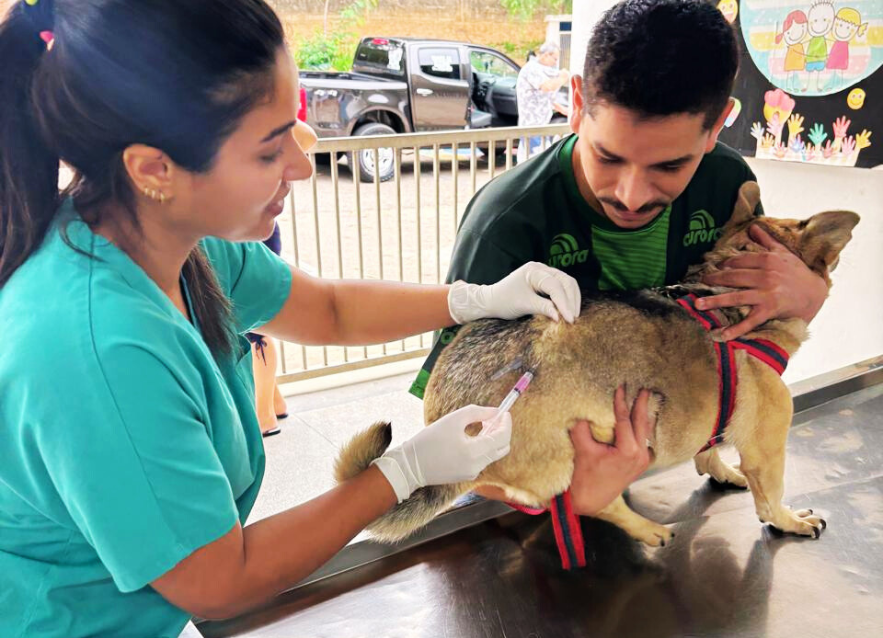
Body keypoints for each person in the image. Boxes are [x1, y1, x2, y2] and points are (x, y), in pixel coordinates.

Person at [0, 1, 652, 636]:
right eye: (267, 150)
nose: (301, 167)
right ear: (153, 168)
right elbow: (217, 583)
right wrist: (402, 472)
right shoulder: (94, 348)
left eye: (295, 128)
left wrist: (474, 298)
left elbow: (329, 310)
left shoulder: (174, 237)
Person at [411, 0, 829, 513]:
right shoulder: (507, 221)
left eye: (670, 165)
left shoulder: (726, 184)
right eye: (608, 156)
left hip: (647, 470)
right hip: (525, 487)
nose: (631, 195)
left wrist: (809, 294)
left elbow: (745, 334)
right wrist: (568, 497)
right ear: (578, 102)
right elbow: (451, 420)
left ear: (718, 123)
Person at [245, 222, 289, 437]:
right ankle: (274, 402)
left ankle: (264, 415)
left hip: (252, 237)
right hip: (246, 234)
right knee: (250, 326)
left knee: (254, 330)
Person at [515, 41, 570, 163]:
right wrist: (563, 78)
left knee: (537, 161)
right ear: (546, 55)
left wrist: (565, 111)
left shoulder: (542, 70)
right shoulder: (531, 68)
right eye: (555, 59)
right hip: (532, 126)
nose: (556, 62)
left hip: (541, 126)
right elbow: (547, 86)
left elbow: (548, 99)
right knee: (532, 163)